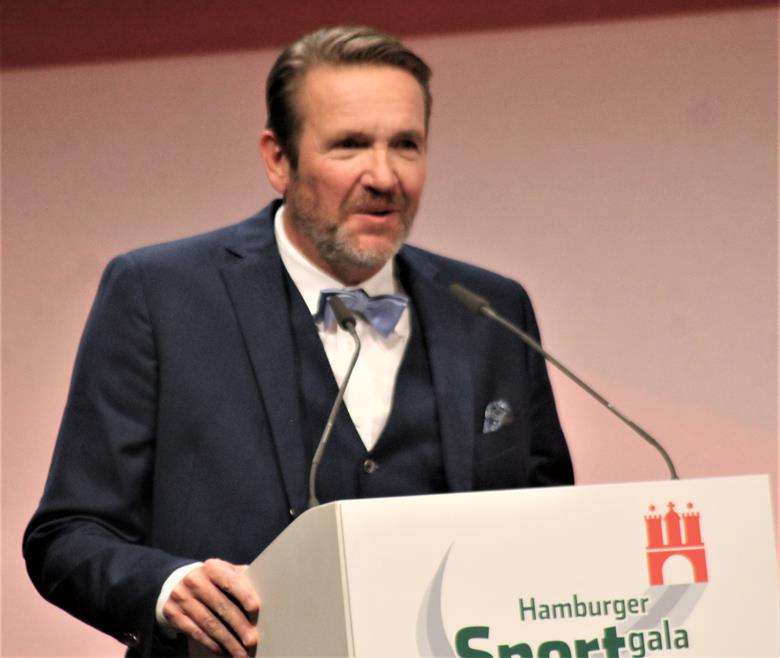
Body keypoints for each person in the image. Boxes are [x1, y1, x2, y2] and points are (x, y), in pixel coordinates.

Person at [23, 25, 573, 658]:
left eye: (406, 145)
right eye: (349, 145)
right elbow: (67, 535)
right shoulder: (159, 294)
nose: (384, 176)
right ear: (277, 159)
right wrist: (168, 588)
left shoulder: (491, 310)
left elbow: (550, 525)